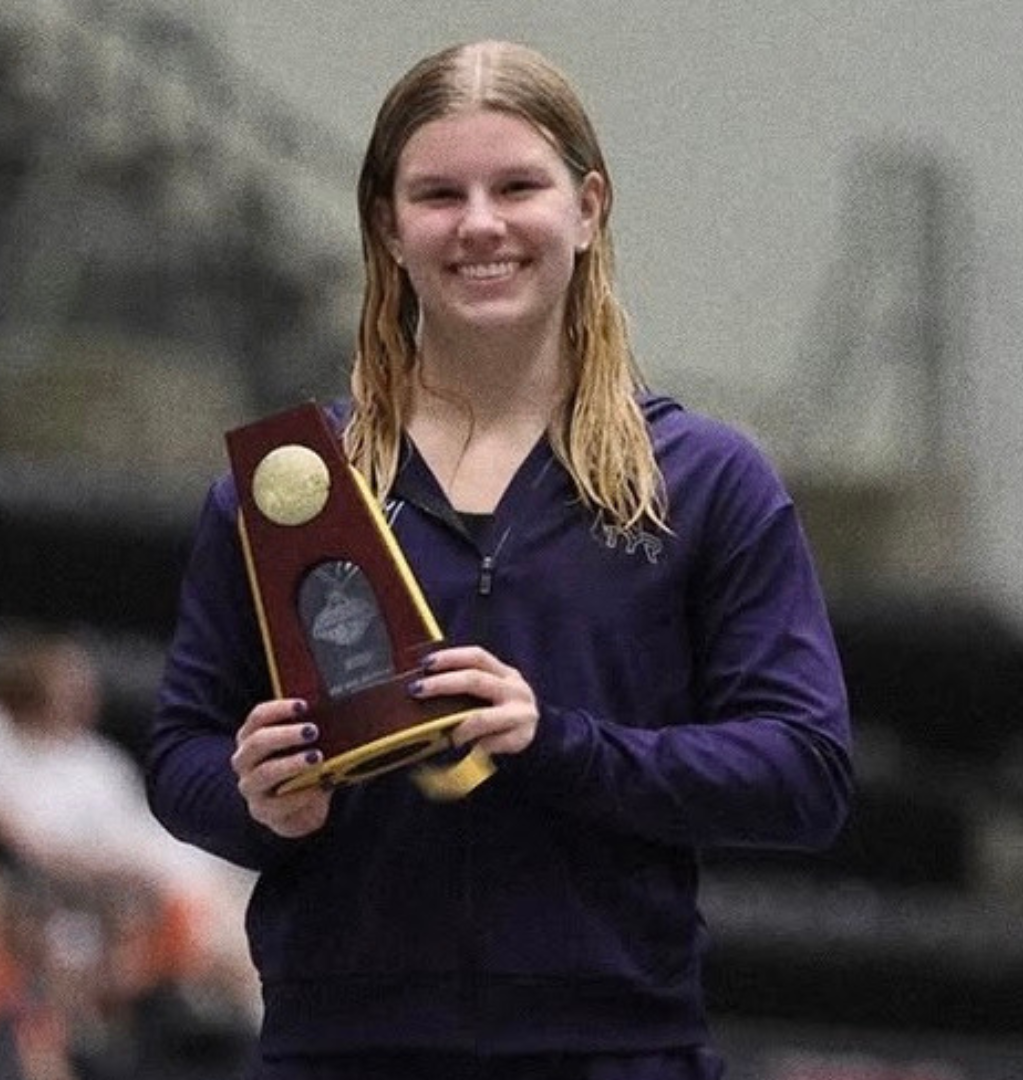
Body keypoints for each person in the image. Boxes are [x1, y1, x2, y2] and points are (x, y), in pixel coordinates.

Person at [148, 40, 853, 1080]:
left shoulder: (703, 480)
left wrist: (559, 743)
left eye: (518, 187)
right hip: (342, 1050)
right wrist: (253, 800)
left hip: (612, 1050)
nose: (480, 224)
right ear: (388, 226)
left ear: (589, 207)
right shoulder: (295, 489)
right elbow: (181, 754)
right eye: (439, 194)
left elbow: (804, 772)